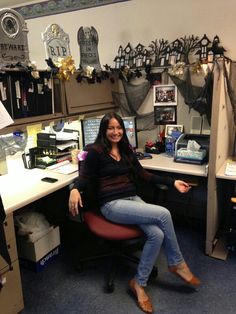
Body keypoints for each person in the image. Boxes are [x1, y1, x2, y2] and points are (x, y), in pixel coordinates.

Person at [69, 112, 200, 314]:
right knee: (164, 214)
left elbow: (143, 175)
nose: (115, 132)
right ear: (104, 130)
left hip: (132, 200)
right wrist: (75, 189)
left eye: (118, 127)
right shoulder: (94, 151)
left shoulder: (126, 149)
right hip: (112, 205)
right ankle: (177, 264)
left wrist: (171, 182)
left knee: (156, 234)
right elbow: (85, 176)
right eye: (110, 128)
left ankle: (138, 283)